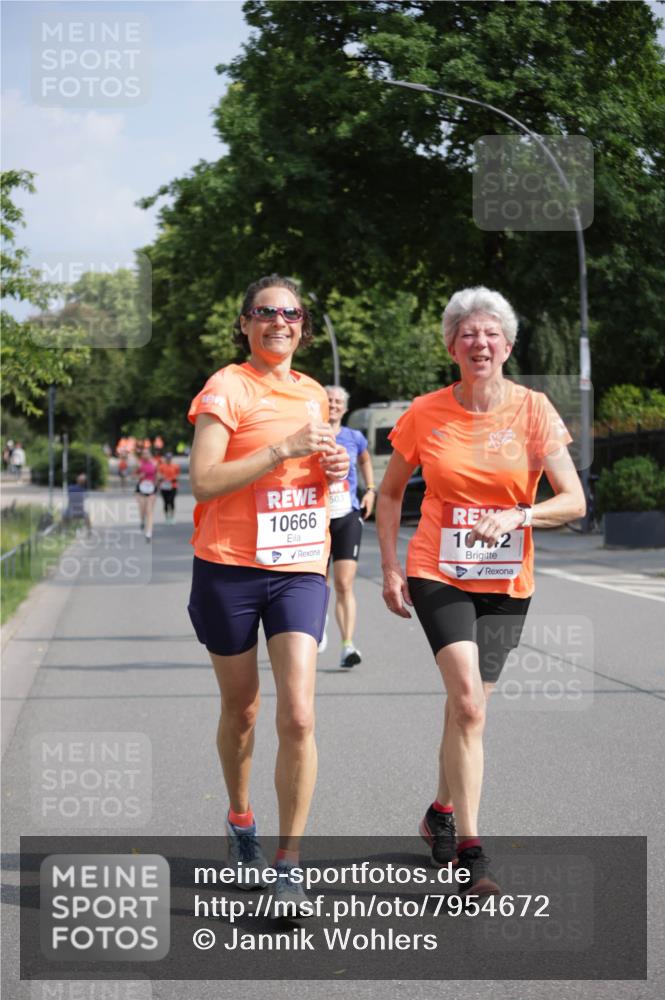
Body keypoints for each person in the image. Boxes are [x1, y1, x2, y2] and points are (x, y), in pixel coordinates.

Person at [376, 286, 585, 899]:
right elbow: (390, 495)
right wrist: (390, 567)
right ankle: (470, 848)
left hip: (506, 578)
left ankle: (440, 809)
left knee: (469, 708)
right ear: (451, 346)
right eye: (467, 333)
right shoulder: (424, 413)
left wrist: (519, 517)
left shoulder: (534, 409)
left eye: (491, 333)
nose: (480, 342)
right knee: (467, 703)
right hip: (437, 569)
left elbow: (573, 499)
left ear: (509, 345)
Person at [187, 274, 349, 911]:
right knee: (244, 710)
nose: (279, 321)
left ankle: (289, 862)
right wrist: (281, 447)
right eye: (265, 312)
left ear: (303, 326)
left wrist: (331, 468)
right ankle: (240, 819)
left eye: (291, 313)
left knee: (299, 714)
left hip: (299, 566)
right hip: (228, 566)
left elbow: (317, 476)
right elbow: (202, 481)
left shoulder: (313, 393)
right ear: (247, 323)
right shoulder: (227, 387)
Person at [320, 385, 376, 668]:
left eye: (338, 401)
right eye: (328, 400)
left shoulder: (354, 437)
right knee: (319, 583)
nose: (333, 404)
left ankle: (347, 645)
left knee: (344, 583)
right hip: (316, 519)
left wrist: (371, 490)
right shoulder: (312, 436)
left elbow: (365, 462)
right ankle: (318, 625)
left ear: (345, 407)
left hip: (347, 516)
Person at [135, 447, 158, 541]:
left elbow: (157, 475)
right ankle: (142, 521)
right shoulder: (139, 464)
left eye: (147, 453)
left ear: (150, 454)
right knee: (142, 510)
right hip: (141, 488)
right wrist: (139, 476)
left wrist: (156, 484)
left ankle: (149, 533)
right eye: (143, 453)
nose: (145, 455)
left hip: (151, 489)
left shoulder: (155, 463)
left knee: (150, 511)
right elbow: (133, 476)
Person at [157, 452, 180, 522]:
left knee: (172, 501)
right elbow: (158, 476)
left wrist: (174, 478)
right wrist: (161, 478)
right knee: (166, 502)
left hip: (173, 486)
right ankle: (167, 517)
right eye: (167, 458)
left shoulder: (175, 466)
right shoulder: (161, 466)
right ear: (165, 458)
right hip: (164, 486)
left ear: (171, 458)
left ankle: (172, 517)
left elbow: (178, 475)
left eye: (170, 458)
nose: (168, 459)